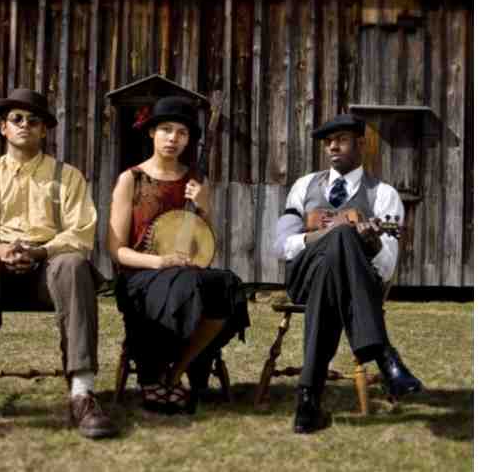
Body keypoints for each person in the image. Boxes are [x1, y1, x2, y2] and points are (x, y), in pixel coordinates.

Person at [0, 88, 118, 444]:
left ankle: (82, 393)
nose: (25, 125)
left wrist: (39, 252)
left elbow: (80, 233)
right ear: (3, 128)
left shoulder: (67, 176)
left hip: (47, 271)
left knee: (73, 263)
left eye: (33, 120)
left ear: (44, 130)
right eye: (16, 119)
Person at [273, 113, 423, 434]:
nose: (332, 147)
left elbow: (385, 268)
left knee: (331, 274)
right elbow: (282, 246)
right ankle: (383, 355)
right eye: (328, 142)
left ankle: (308, 399)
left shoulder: (383, 195)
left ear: (361, 144)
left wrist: (370, 242)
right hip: (304, 278)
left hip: (349, 284)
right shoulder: (304, 186)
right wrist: (325, 235)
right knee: (341, 235)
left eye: (341, 140)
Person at [107, 96, 250, 414]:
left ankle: (176, 371)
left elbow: (206, 245)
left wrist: (205, 206)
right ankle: (152, 374)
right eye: (166, 129)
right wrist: (160, 261)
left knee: (226, 284)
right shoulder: (131, 179)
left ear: (188, 139)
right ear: (151, 132)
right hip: (141, 276)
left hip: (186, 275)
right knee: (185, 284)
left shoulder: (195, 181)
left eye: (182, 132)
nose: (173, 138)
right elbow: (116, 250)